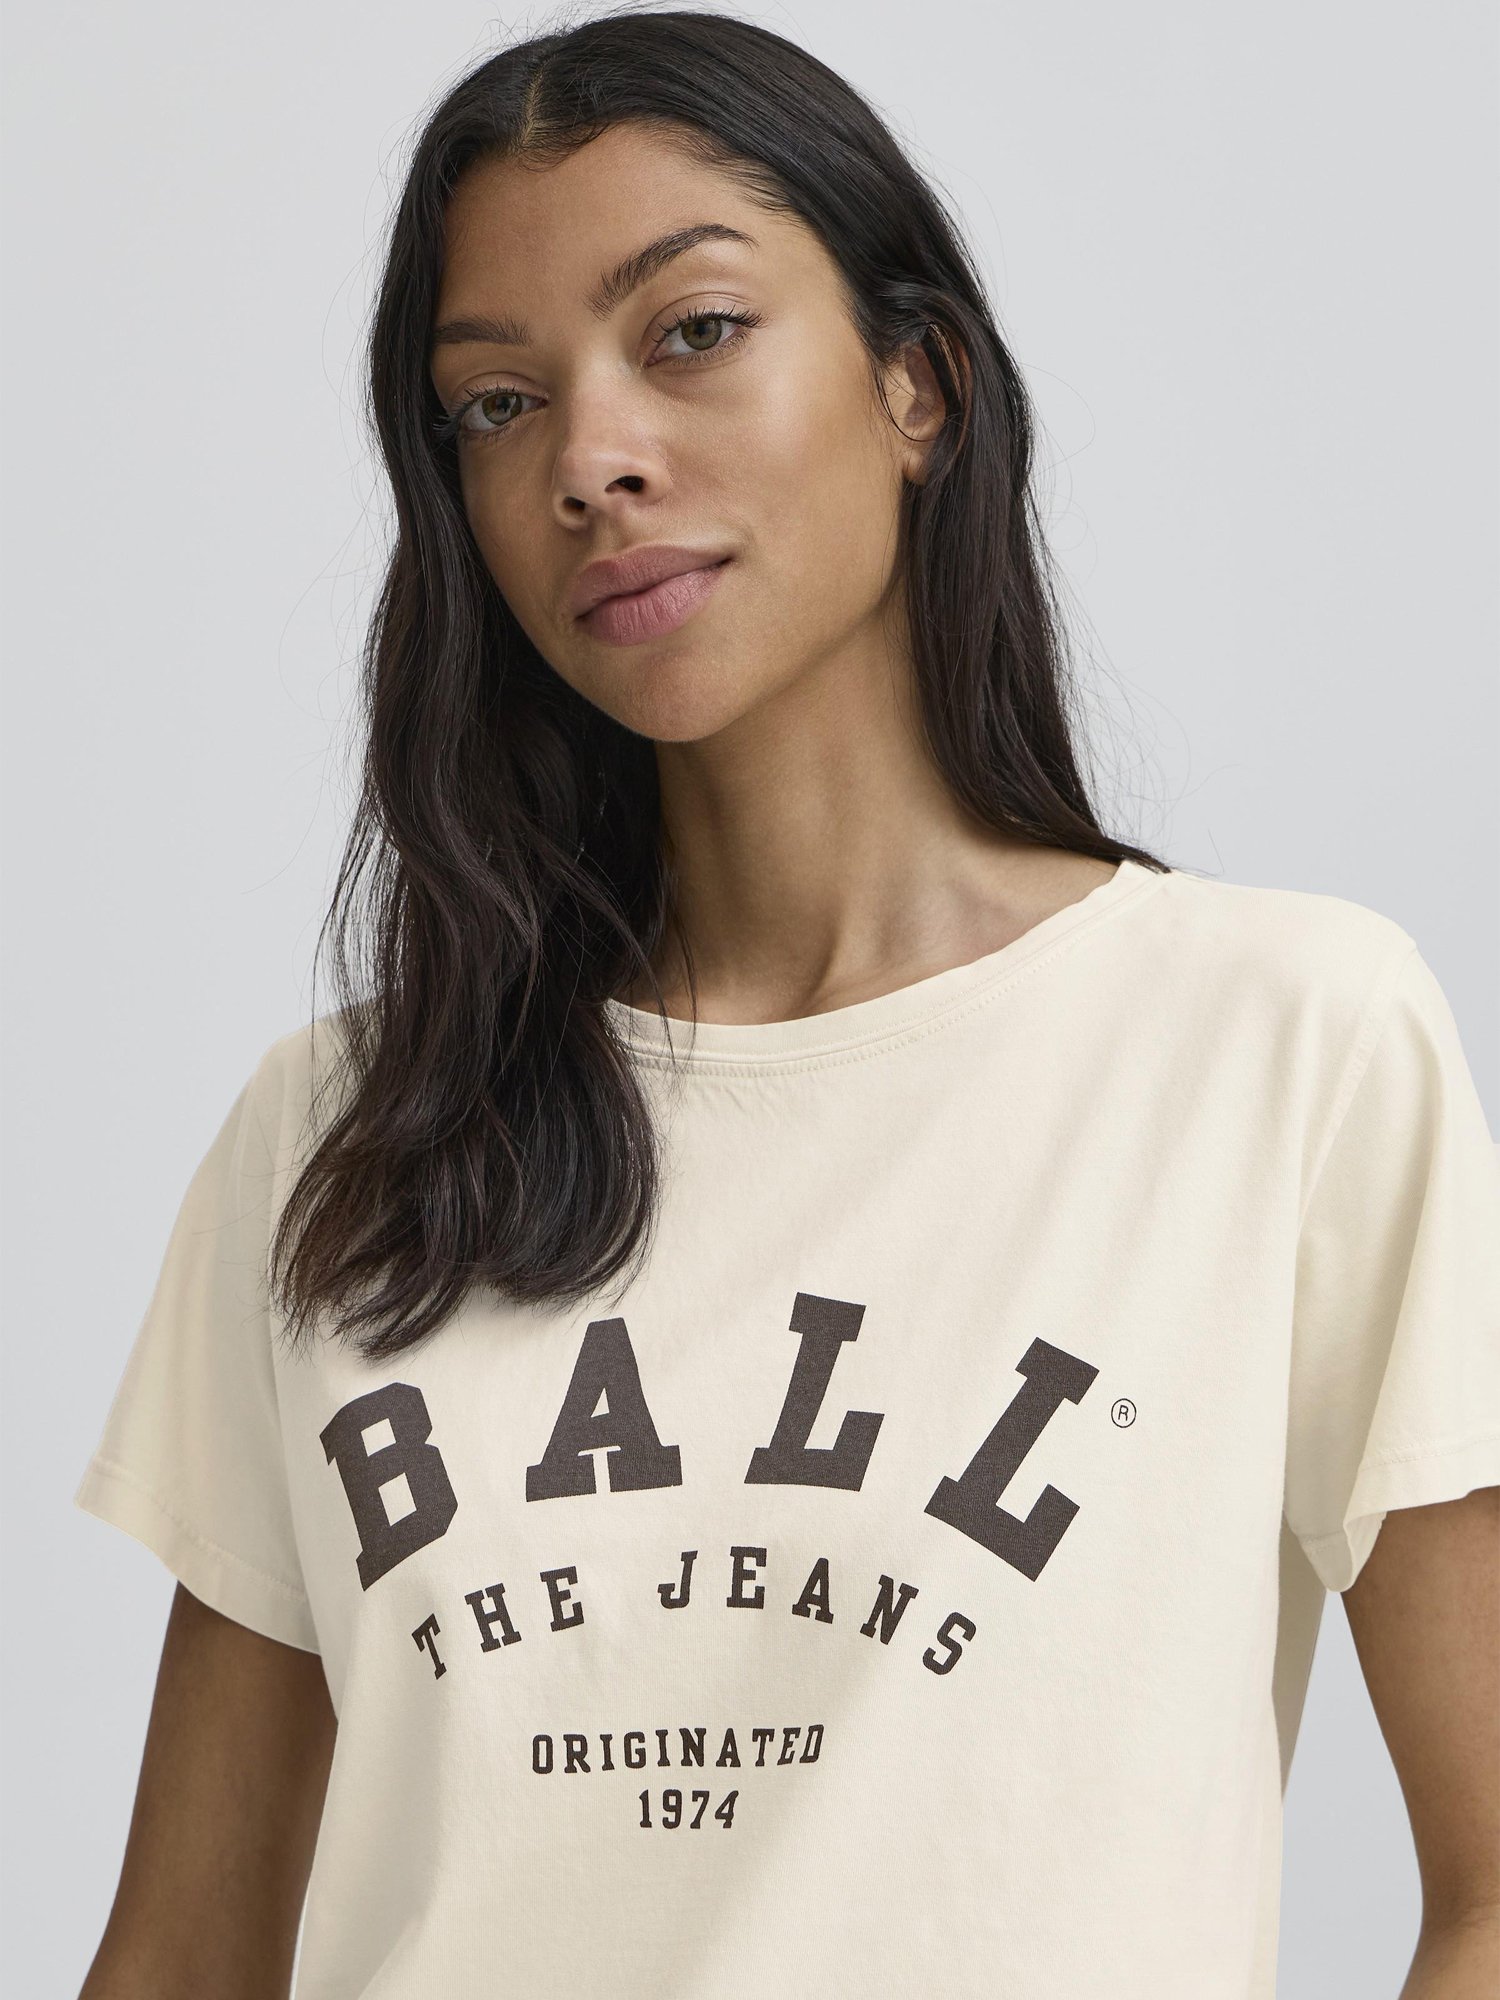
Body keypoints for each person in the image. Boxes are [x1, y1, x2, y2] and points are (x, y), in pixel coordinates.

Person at [75, 10, 1499, 1997]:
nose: (591, 460)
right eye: (496, 404)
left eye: (693, 331)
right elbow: (180, 1958)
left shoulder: (1281, 1044)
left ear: (919, 383)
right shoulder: (345, 1132)